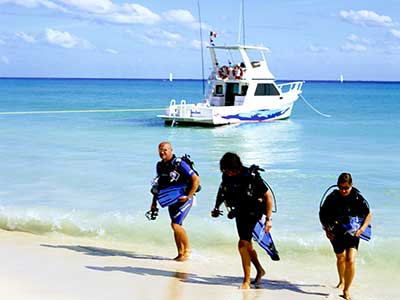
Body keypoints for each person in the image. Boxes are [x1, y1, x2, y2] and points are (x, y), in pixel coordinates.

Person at [211, 152, 274, 289]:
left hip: (254, 212)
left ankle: (246, 281)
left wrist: (268, 219)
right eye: (225, 170)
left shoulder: (250, 176)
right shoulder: (226, 176)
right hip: (240, 212)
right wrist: (216, 207)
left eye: (229, 170)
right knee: (248, 246)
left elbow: (268, 196)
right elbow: (223, 191)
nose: (227, 173)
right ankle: (260, 270)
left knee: (242, 244)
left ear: (236, 167)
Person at [319, 173, 372, 300]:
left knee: (350, 260)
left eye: (346, 188)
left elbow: (368, 215)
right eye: (341, 187)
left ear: (351, 185)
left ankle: (346, 290)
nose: (343, 190)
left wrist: (362, 229)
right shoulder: (332, 197)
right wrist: (326, 229)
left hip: (353, 231)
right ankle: (341, 280)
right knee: (340, 257)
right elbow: (322, 214)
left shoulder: (357, 198)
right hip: (336, 231)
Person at [150, 141, 200, 261]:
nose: (162, 152)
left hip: (184, 197)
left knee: (175, 225)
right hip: (171, 198)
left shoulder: (179, 163)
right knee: (176, 226)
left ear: (171, 150)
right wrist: (154, 203)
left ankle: (187, 250)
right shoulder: (159, 166)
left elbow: (196, 180)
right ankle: (180, 254)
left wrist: (188, 196)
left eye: (165, 150)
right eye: (160, 150)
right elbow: (159, 186)